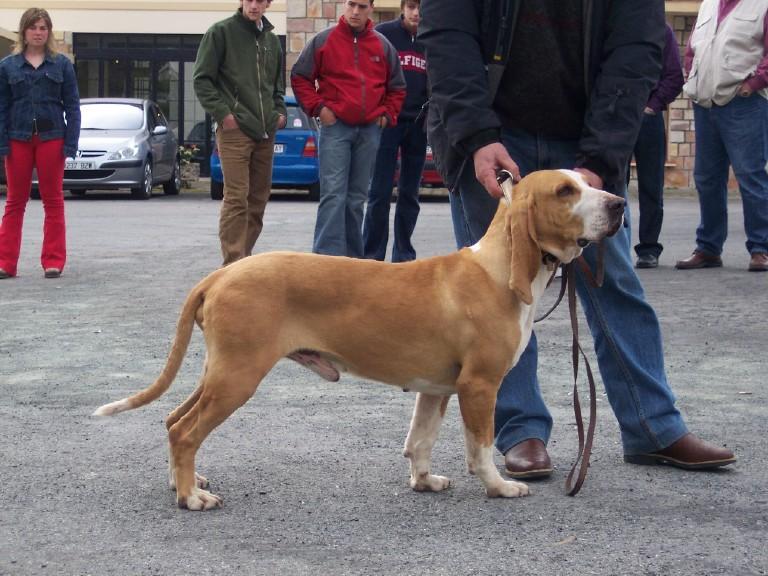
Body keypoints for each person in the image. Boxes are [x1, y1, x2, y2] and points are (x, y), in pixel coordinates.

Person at [419, 0, 736, 479]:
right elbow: (448, 37)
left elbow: (636, 49)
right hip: (494, 135)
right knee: (496, 295)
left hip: (584, 137)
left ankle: (654, 427)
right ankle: (519, 430)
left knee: (616, 283)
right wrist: (476, 135)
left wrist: (600, 157)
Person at [291, 0, 406, 257]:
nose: (356, 11)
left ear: (371, 8)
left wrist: (386, 116)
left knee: (356, 199)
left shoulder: (382, 46)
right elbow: (300, 77)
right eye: (351, 4)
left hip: (369, 131)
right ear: (344, 4)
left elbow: (397, 87)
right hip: (336, 129)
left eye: (362, 6)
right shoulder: (323, 40)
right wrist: (319, 109)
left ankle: (353, 261)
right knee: (333, 194)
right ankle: (325, 259)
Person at [676, 0, 768, 272]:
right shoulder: (708, 5)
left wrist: (753, 84)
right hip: (706, 103)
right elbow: (693, 48)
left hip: (745, 103)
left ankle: (761, 249)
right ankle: (708, 248)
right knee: (706, 178)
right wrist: (691, 75)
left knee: (750, 176)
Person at [193, 0, 287, 267]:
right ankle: (233, 263)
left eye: (260, 1)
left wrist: (279, 113)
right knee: (236, 196)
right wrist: (224, 115)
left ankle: (243, 261)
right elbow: (202, 79)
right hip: (235, 130)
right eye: (250, 0)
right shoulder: (220, 32)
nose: (254, 5)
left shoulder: (271, 40)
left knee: (258, 197)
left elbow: (276, 85)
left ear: (268, 3)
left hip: (265, 130)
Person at [0, 7, 80, 280]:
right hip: (17, 138)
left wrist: (71, 143)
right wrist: (2, 144)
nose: (38, 32)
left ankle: (53, 261)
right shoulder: (7, 67)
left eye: (43, 27)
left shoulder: (62, 65)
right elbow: (1, 107)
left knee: (53, 200)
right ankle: (6, 263)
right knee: (15, 201)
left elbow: (72, 106)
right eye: (33, 27)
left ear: (49, 32)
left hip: (52, 138)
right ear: (24, 31)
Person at [362, 0, 428, 262]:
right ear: (402, 7)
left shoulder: (432, 37)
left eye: (421, 7)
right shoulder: (384, 34)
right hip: (387, 122)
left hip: (419, 124)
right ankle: (372, 255)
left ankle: (404, 254)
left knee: (410, 194)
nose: (416, 13)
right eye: (411, 6)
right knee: (378, 192)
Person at [630, 23, 684, 269]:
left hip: (647, 118)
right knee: (610, 185)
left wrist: (652, 106)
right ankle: (610, 247)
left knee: (652, 186)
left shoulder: (662, 31)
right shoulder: (608, 24)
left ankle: (649, 249)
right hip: (612, 116)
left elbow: (674, 76)